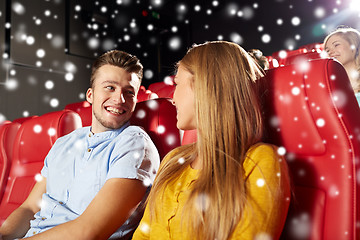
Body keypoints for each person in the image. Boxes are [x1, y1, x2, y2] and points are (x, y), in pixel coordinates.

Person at [132, 41, 291, 240]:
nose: (172, 98)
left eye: (177, 84)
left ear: (205, 87)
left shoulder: (261, 161)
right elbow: (142, 235)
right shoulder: (173, 159)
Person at [0, 50, 160, 240]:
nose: (120, 99)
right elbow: (30, 207)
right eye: (110, 87)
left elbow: (89, 231)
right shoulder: (63, 143)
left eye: (129, 92)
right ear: (90, 95)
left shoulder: (134, 145)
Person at [324, 26, 360, 105]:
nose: (330, 52)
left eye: (336, 45)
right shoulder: (329, 86)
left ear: (354, 45)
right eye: (327, 50)